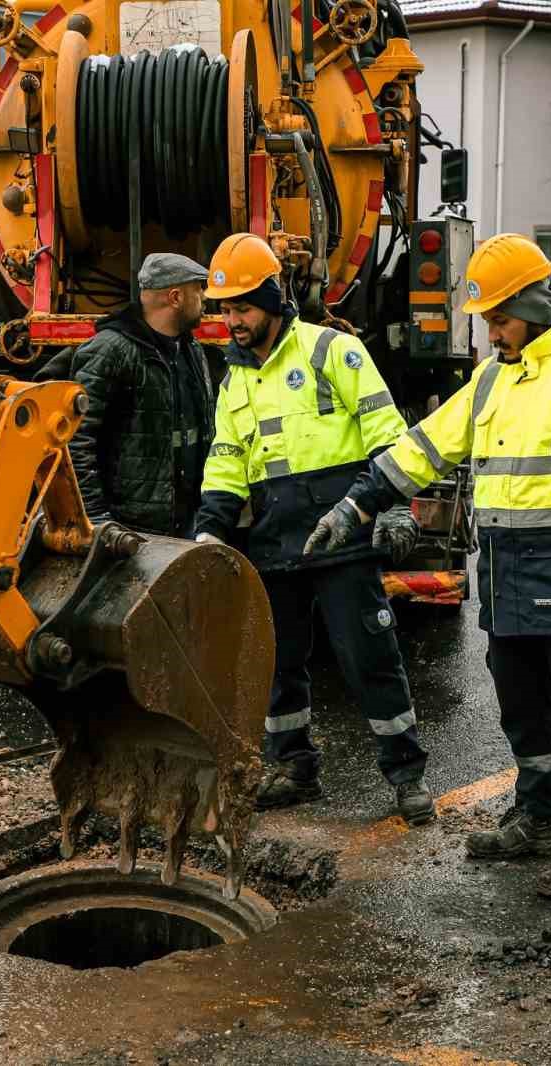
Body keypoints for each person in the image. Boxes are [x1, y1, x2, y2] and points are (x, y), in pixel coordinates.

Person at [308, 233, 551, 899]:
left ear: (537, 302)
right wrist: (357, 505)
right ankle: (541, 820)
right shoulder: (492, 378)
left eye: (500, 317)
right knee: (523, 711)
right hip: (508, 577)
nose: (492, 332)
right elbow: (422, 450)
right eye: (487, 319)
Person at [193, 233, 432, 825]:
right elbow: (226, 464)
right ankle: (294, 767)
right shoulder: (233, 382)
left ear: (274, 298)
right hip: (275, 545)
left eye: (243, 307)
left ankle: (406, 775)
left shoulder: (332, 352)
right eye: (225, 309)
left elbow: (385, 431)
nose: (233, 321)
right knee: (277, 665)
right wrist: (209, 534)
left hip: (344, 538)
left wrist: (395, 506)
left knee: (369, 659)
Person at [36, 253, 214, 537]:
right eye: (198, 289)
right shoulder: (111, 351)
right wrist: (96, 520)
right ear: (176, 297)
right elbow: (75, 443)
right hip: (132, 530)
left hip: (185, 523)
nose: (205, 298)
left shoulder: (191, 349)